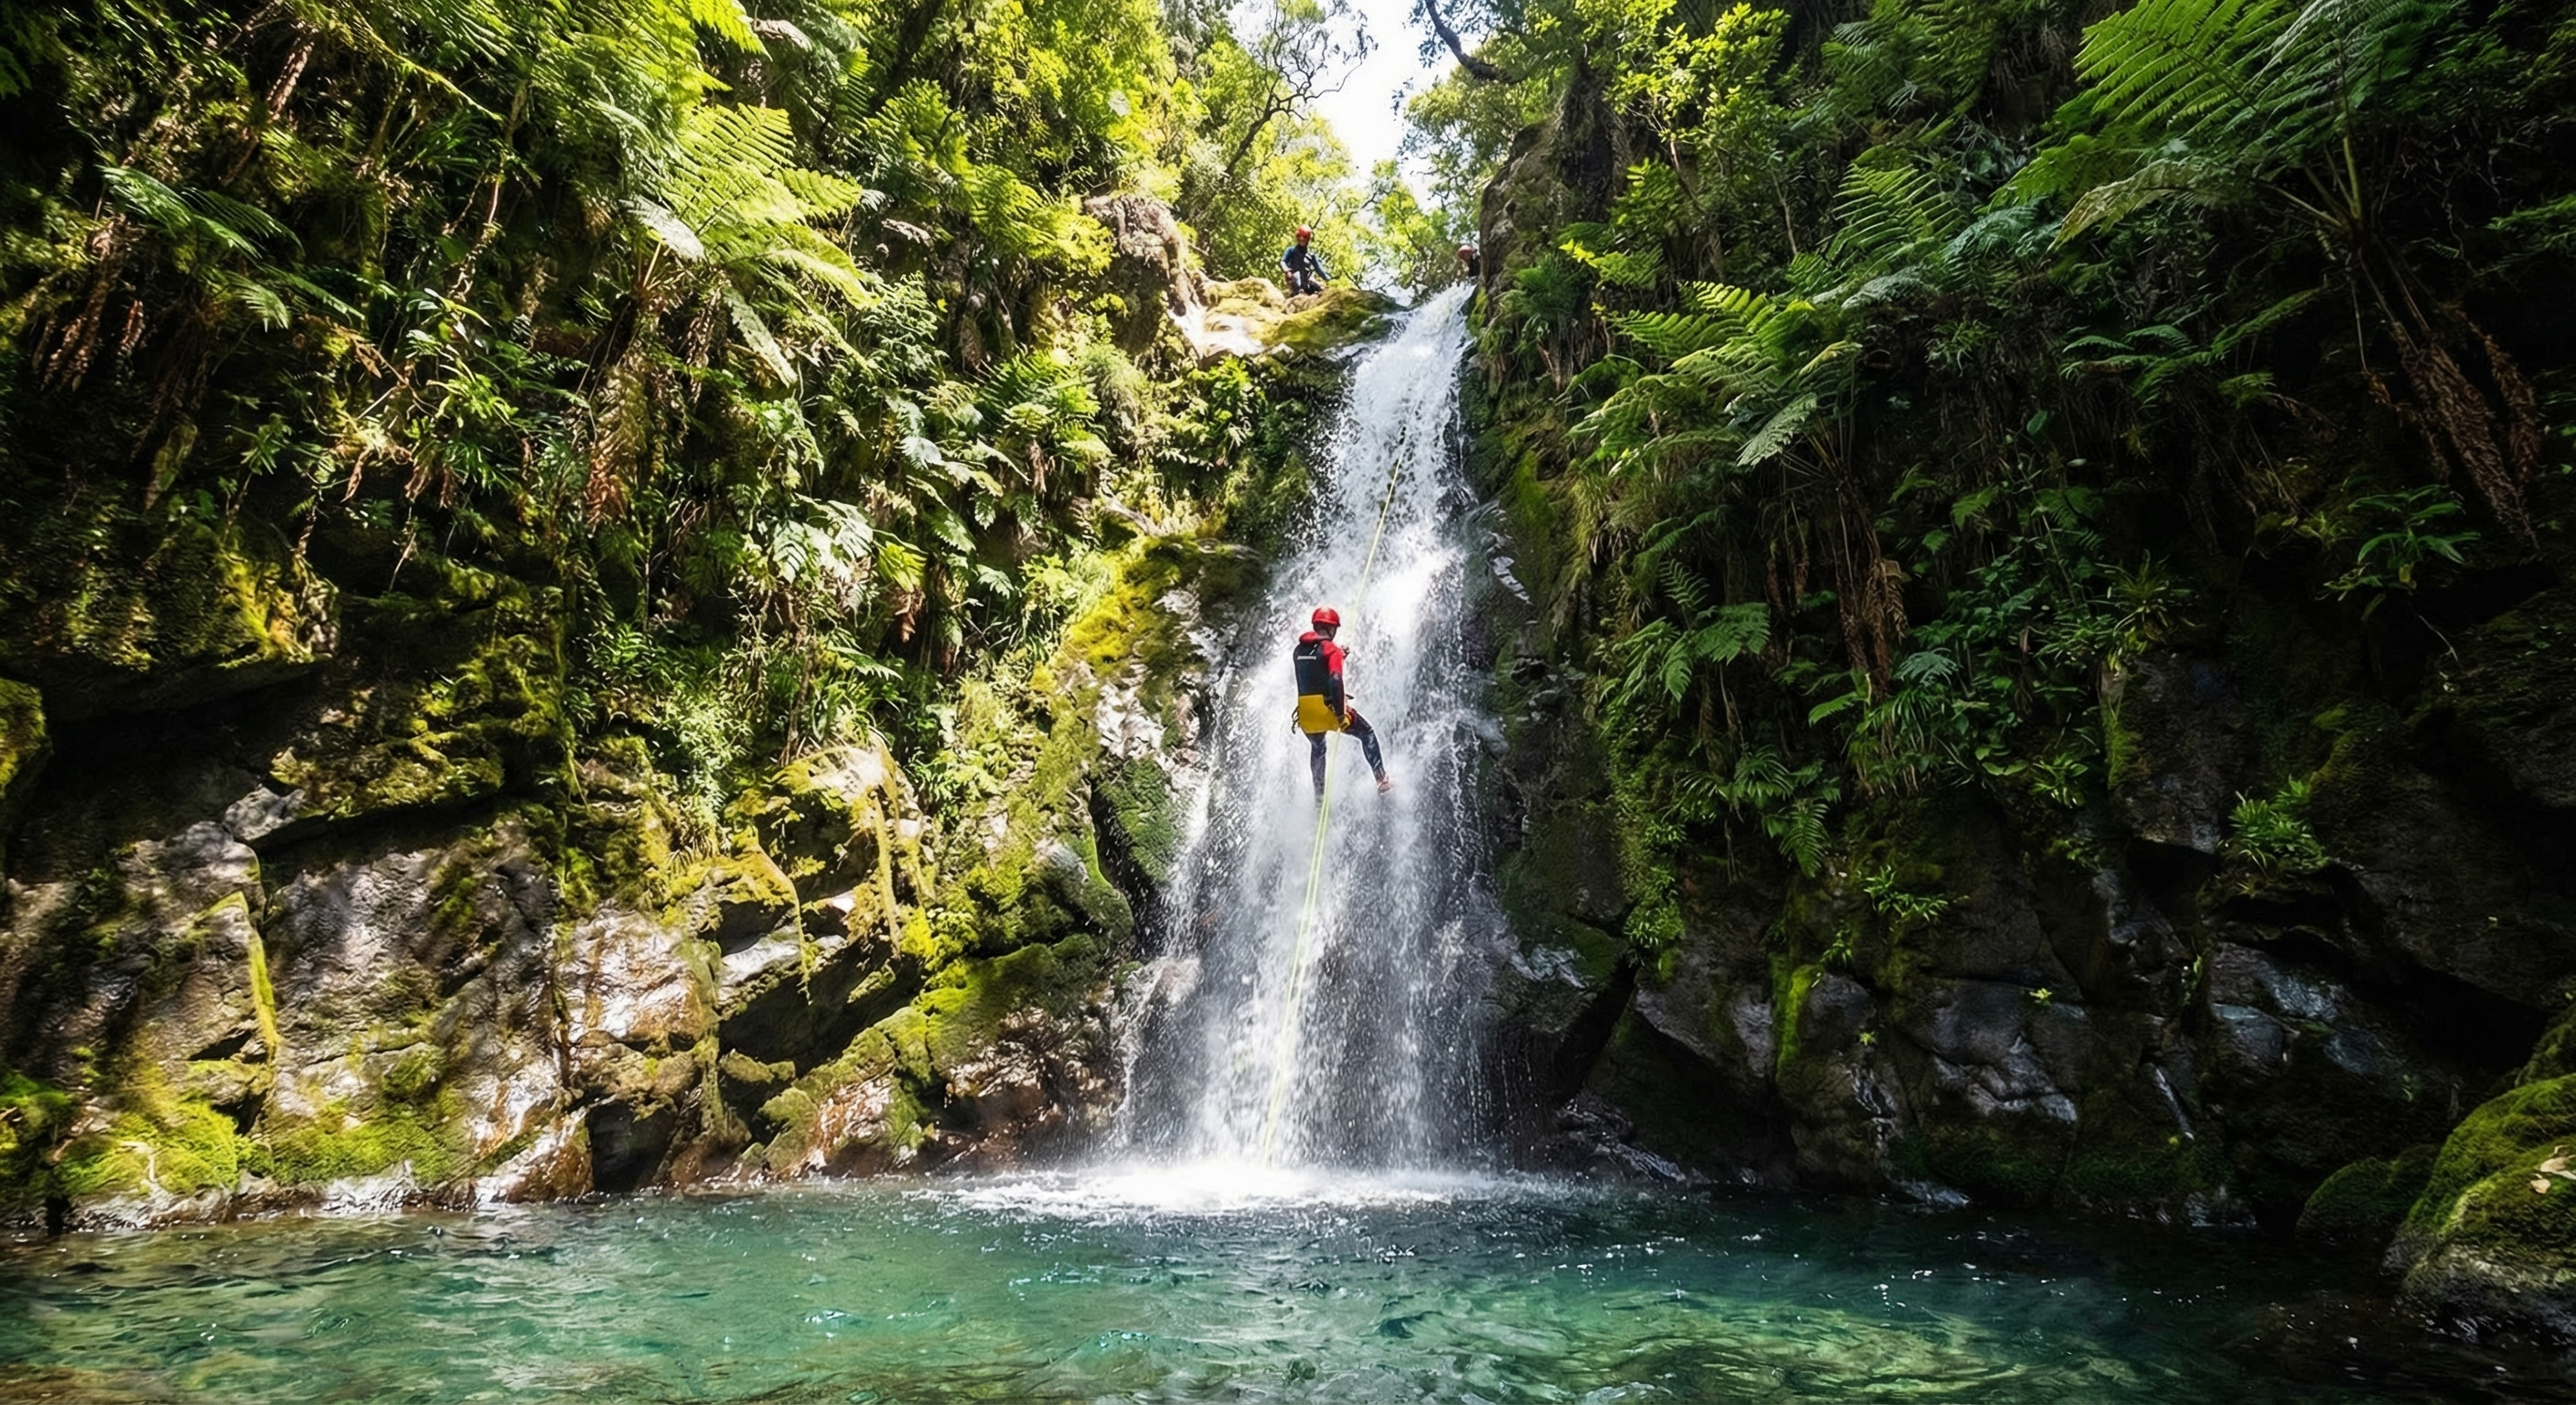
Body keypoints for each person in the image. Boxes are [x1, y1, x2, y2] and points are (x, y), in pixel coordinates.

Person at [1293, 606, 1390, 799]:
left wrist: (1339, 655)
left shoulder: (1298, 650)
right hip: (1327, 711)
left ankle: (1319, 797)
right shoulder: (1332, 650)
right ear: (1331, 629)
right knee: (1367, 733)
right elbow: (1334, 680)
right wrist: (1340, 714)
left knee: (1318, 748)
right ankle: (1381, 780)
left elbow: (1314, 668)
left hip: (1306, 716)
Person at [1281, 226, 1328, 295]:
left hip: (1307, 279)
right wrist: (1287, 271)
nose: (1302, 239)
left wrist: (1329, 279)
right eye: (1300, 236)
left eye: (1304, 237)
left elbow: (1320, 270)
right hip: (1294, 278)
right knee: (1299, 284)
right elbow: (1283, 261)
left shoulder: (1310, 255)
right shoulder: (1291, 250)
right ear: (1297, 237)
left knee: (1321, 289)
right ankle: (1300, 292)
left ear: (1308, 239)